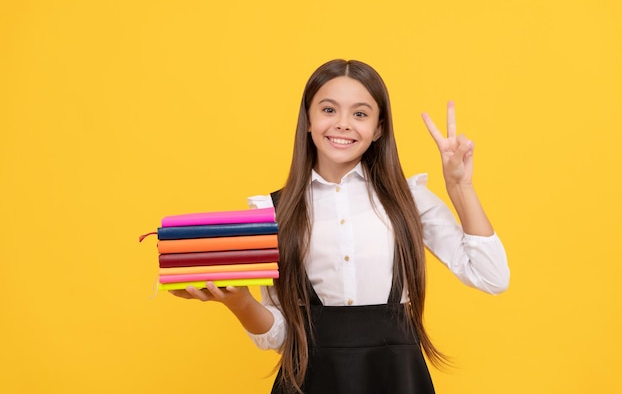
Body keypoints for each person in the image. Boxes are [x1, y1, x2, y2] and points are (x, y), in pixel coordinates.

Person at [170, 59, 510, 394]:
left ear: (378, 128)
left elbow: (491, 276)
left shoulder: (410, 199)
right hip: (310, 381)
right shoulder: (272, 212)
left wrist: (461, 188)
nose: (343, 124)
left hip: (396, 379)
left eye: (360, 114)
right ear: (307, 120)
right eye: (329, 110)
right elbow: (279, 338)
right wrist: (239, 302)